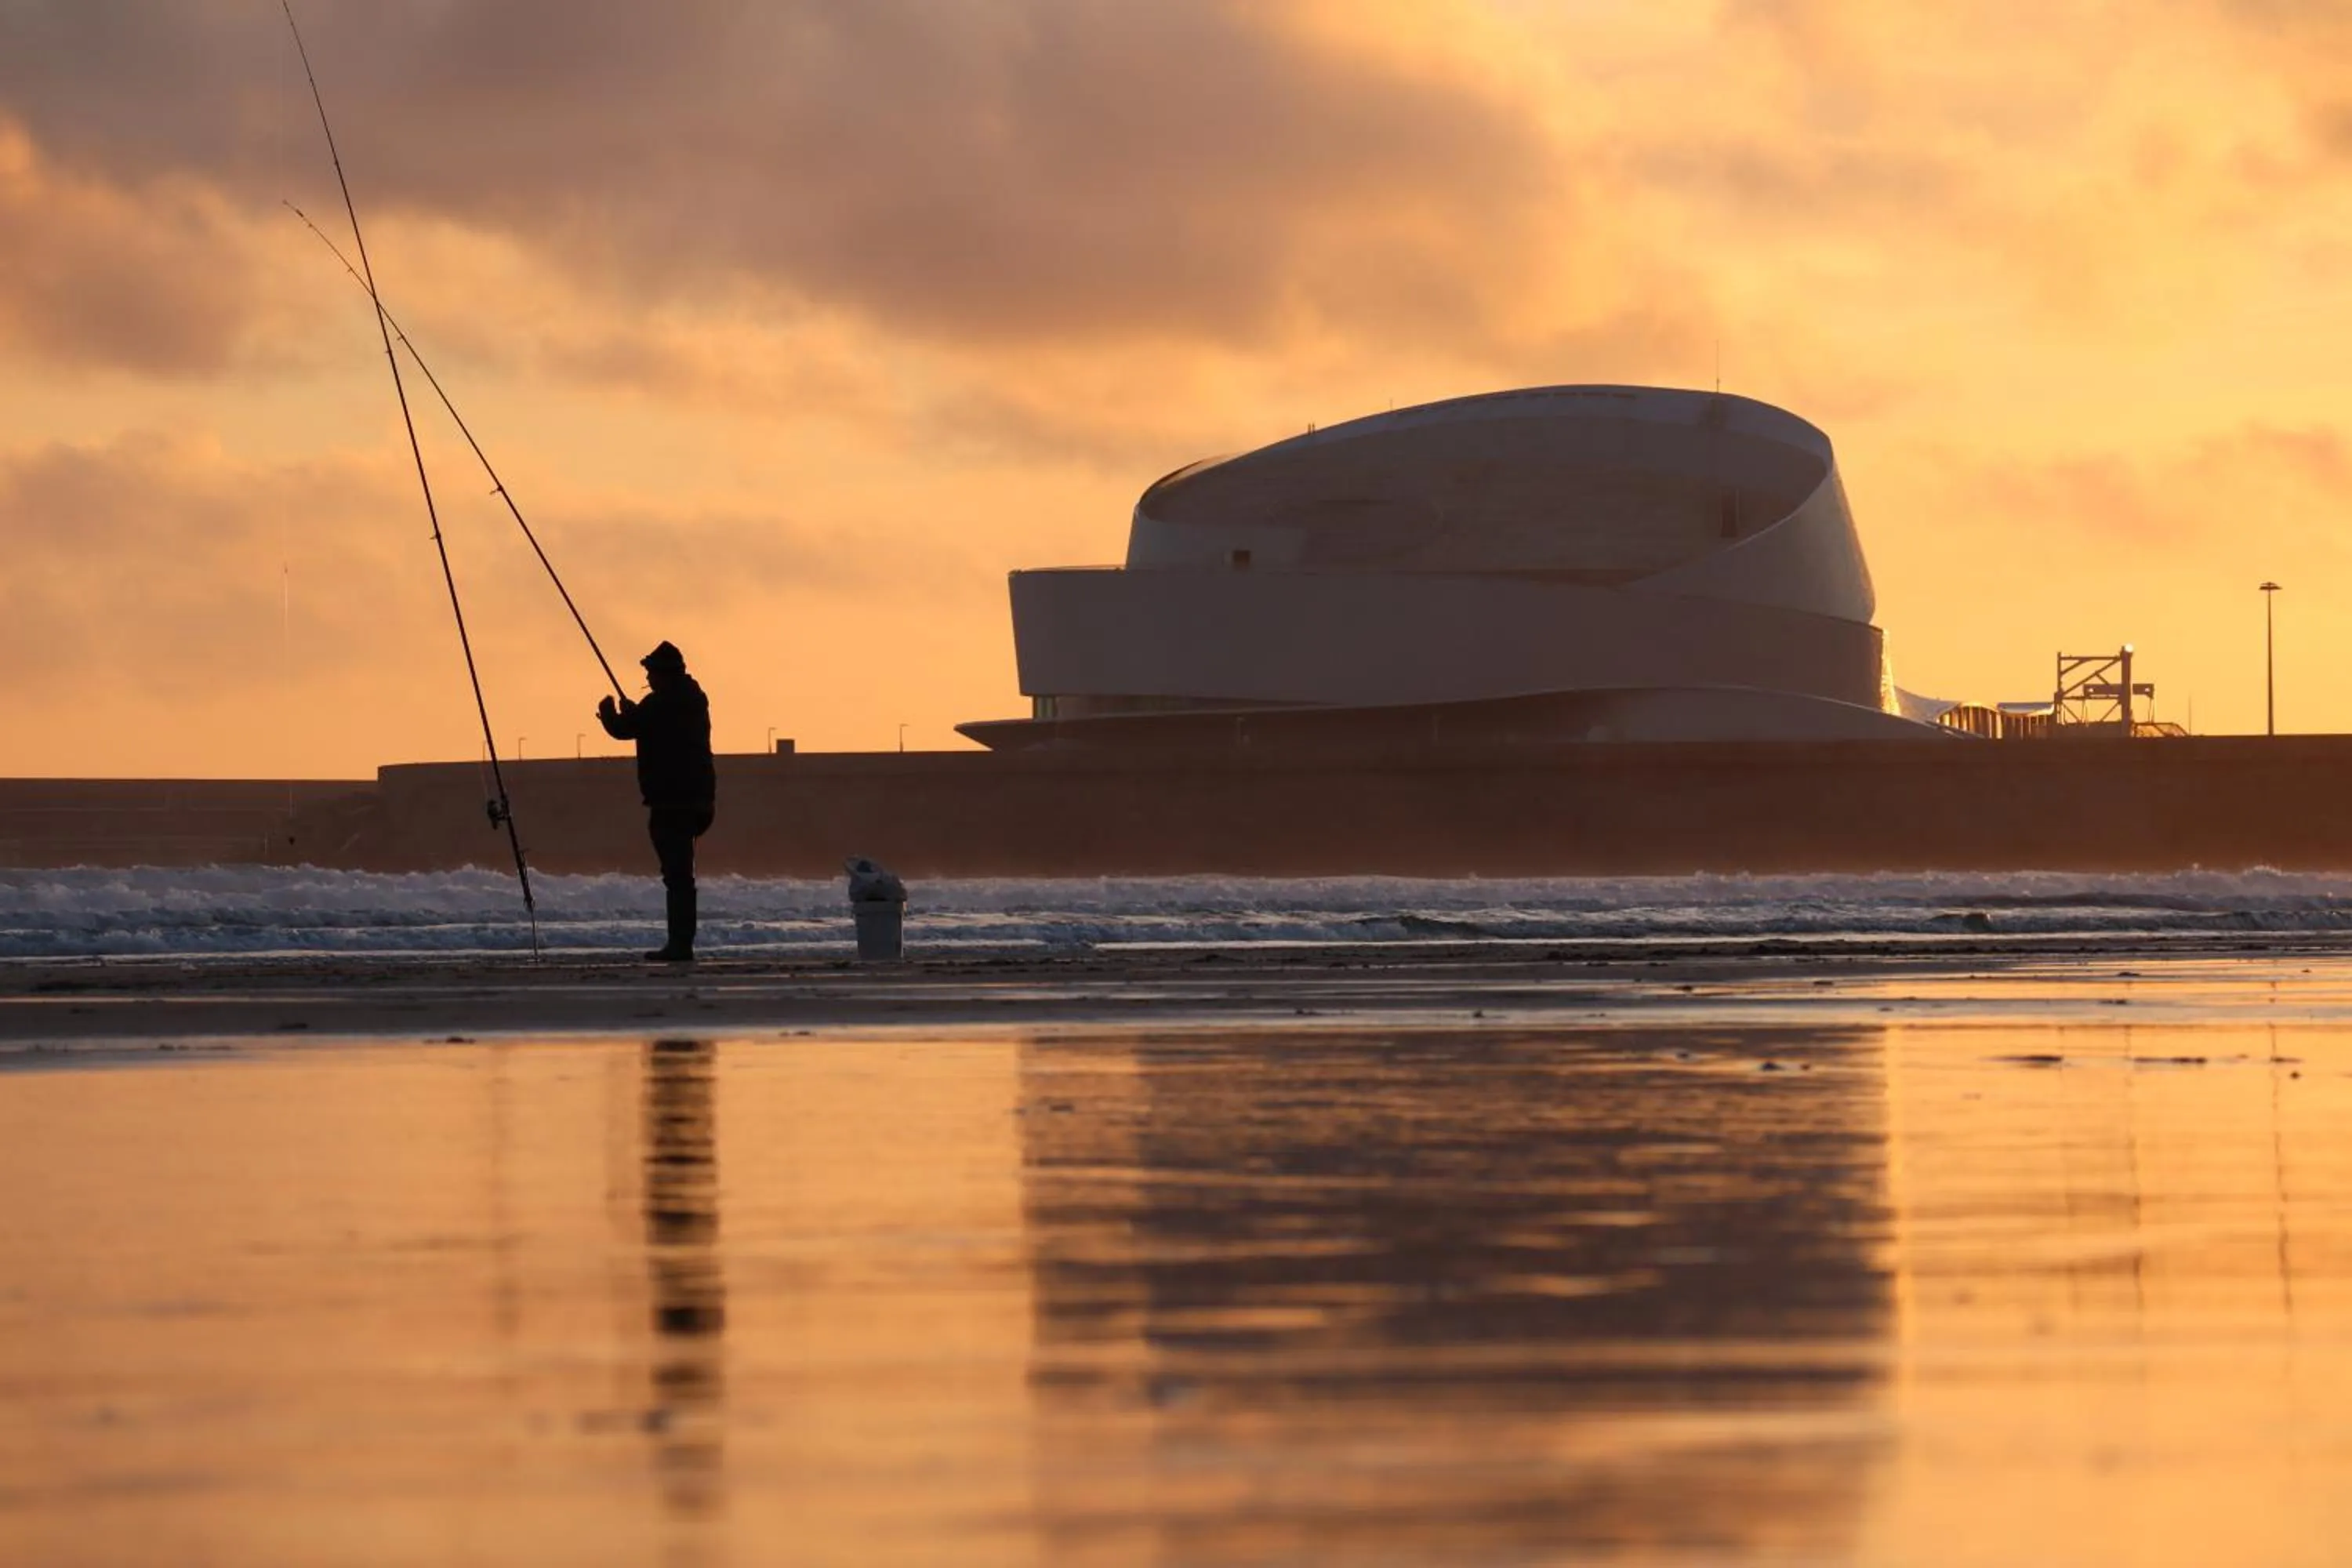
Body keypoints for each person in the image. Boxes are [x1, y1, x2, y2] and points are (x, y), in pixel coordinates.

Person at [597, 641, 717, 962]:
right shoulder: (691, 699)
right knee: (681, 874)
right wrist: (638, 713)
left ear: (663, 675)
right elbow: (653, 726)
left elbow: (627, 729)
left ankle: (680, 945)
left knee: (677, 875)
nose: (648, 679)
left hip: (672, 801)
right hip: (698, 800)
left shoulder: (662, 703)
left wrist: (608, 712)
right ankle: (681, 942)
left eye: (650, 673)